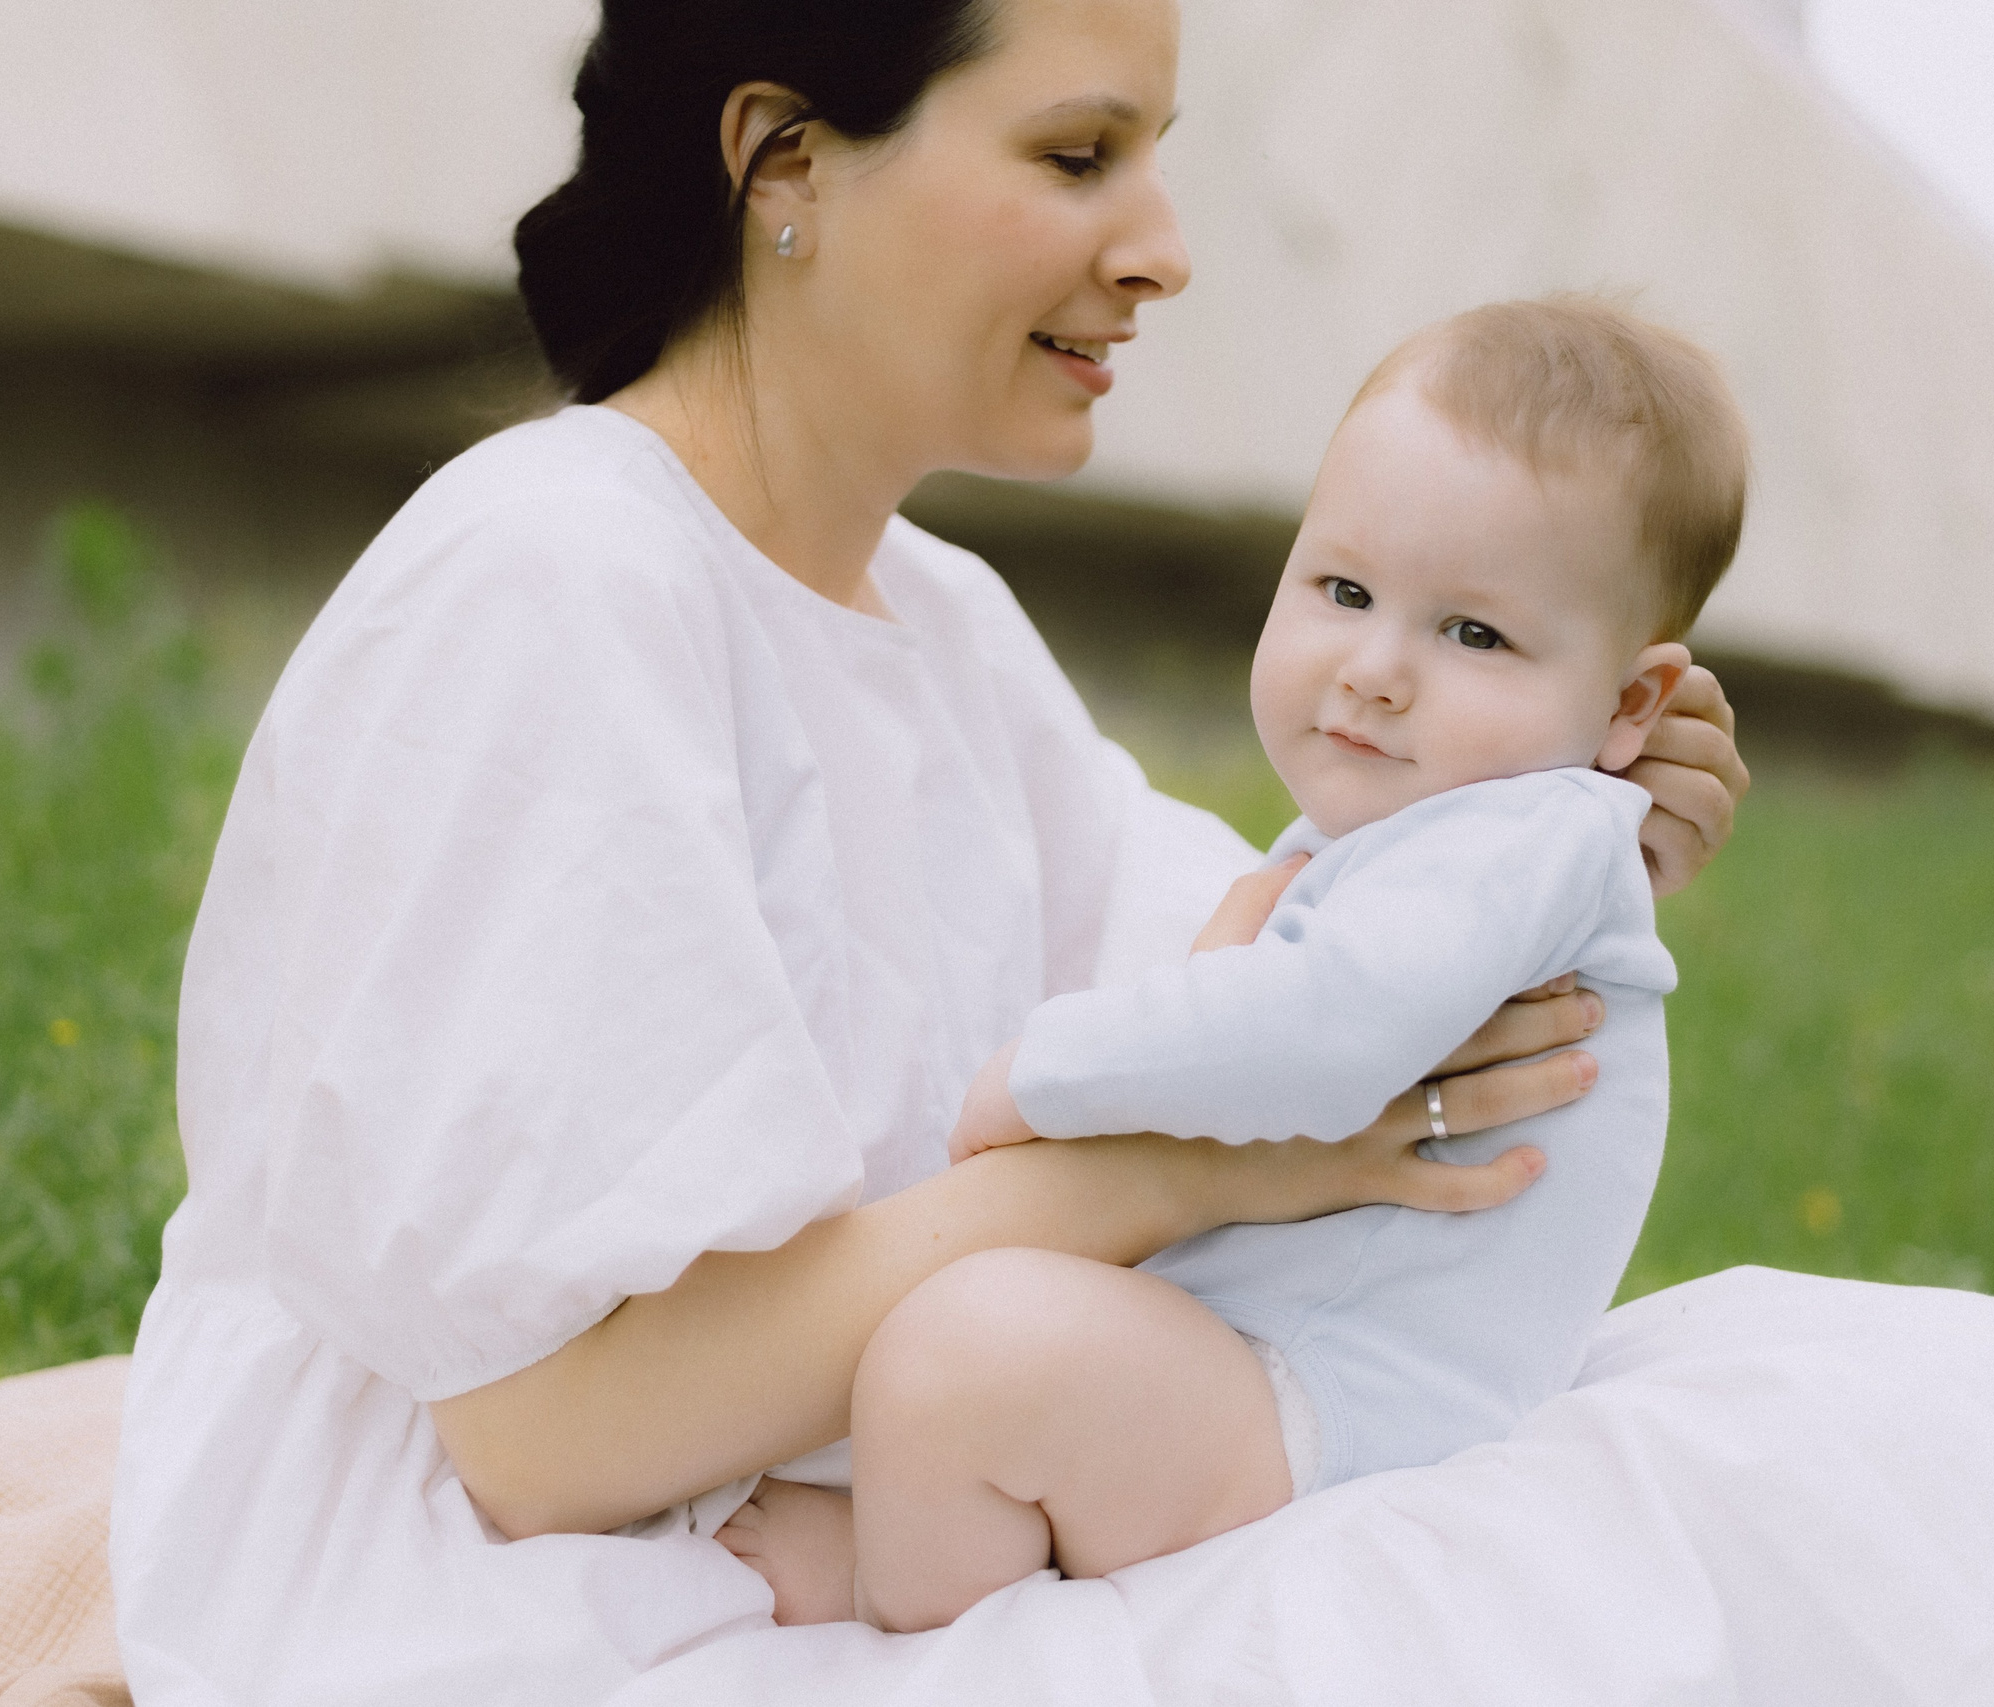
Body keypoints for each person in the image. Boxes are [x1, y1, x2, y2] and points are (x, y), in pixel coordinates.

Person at [108, 0, 1750, 1694]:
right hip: (540, 1555)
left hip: (900, 1476)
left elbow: (1250, 960)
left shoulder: (940, 614)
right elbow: (543, 1438)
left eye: (1154, 165)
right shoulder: (555, 580)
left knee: (1751, 1484)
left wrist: (1529, 838)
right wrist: (1208, 1167)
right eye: (1076, 156)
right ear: (787, 160)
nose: (1164, 253)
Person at [827, 296, 1749, 1631]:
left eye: (1472, 633)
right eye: (1346, 591)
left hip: (1343, 1396)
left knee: (964, 1355)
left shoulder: (1529, 834)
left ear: (1628, 708)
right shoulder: (1427, 830)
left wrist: (1044, 1077)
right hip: (1274, 1355)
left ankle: (942, 1648)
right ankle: (900, 1566)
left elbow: (1319, 1034)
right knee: (971, 1347)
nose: (1376, 669)